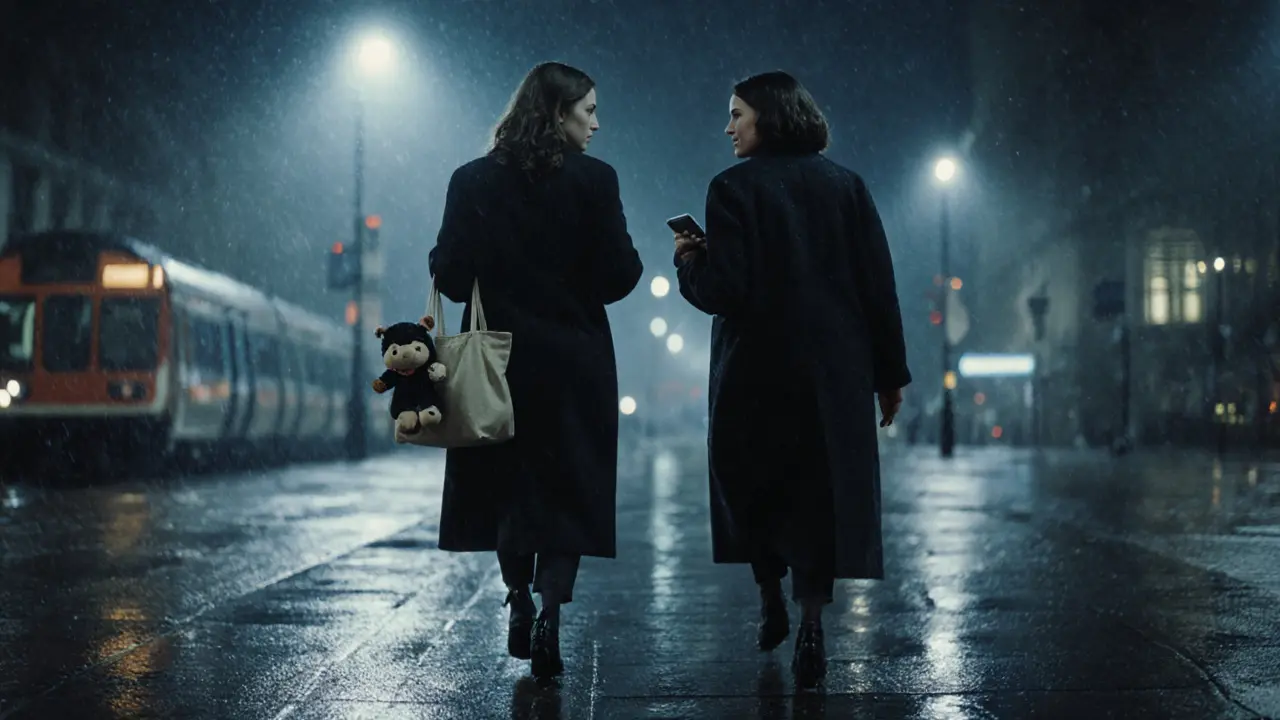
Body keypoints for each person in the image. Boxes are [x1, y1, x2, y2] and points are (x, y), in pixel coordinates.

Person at [672, 70, 911, 689]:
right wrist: (890, 374)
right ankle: (811, 625)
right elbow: (877, 287)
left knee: (753, 488)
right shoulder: (847, 187)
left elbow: (726, 290)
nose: (727, 128)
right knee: (818, 499)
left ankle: (768, 594)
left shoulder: (731, 189)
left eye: (737, 115)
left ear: (767, 119)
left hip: (753, 371)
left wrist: (690, 261)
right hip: (832, 374)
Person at [428, 61, 643, 681]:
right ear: (558, 113)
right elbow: (620, 277)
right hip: (574, 364)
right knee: (567, 493)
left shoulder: (472, 181)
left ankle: (517, 595)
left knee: (508, 491)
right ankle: (551, 612)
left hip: (498, 364)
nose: (597, 124)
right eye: (589, 110)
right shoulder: (596, 181)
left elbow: (449, 276)